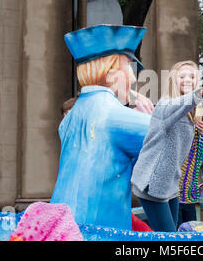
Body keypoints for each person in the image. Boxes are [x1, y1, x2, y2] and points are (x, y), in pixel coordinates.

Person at [50, 24, 153, 230]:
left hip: (61, 226)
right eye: (128, 68)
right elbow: (183, 138)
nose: (133, 78)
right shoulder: (113, 115)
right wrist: (151, 122)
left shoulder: (70, 120)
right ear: (111, 72)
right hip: (101, 231)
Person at [131, 61, 203, 232]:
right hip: (152, 184)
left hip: (171, 185)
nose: (187, 79)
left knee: (172, 234)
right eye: (182, 76)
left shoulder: (191, 115)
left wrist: (199, 132)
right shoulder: (164, 105)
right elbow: (178, 107)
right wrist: (202, 93)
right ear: (173, 80)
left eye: (192, 76)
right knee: (168, 237)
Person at [177, 160, 203, 228]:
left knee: (191, 231)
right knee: (175, 232)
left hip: (190, 199)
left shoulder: (200, 150)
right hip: (171, 198)